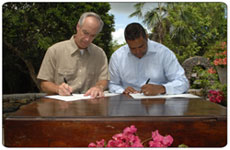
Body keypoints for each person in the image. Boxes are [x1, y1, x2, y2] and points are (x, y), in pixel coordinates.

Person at [37, 12, 109, 98]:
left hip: (90, 106)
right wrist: (58, 89)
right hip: (60, 107)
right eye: (85, 32)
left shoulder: (99, 53)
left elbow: (104, 80)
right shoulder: (55, 51)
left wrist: (99, 87)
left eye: (92, 36)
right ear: (78, 27)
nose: (87, 39)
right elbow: (44, 84)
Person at [109, 23, 189, 96]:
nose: (138, 52)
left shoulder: (164, 53)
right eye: (132, 48)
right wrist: (122, 91)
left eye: (141, 46)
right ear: (126, 42)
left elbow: (183, 82)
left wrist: (162, 88)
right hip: (128, 104)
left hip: (160, 105)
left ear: (147, 37)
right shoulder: (117, 57)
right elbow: (113, 84)